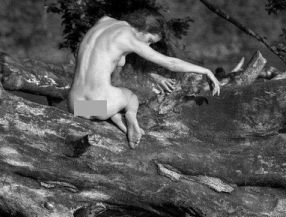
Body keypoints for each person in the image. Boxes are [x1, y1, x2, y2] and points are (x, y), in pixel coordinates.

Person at [67, 8, 220, 149]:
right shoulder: (128, 37)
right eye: (149, 40)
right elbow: (171, 63)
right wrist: (206, 71)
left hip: (76, 106)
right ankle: (130, 118)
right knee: (131, 98)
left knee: (108, 98)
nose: (148, 45)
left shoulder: (104, 21)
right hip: (102, 106)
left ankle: (118, 119)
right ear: (144, 29)